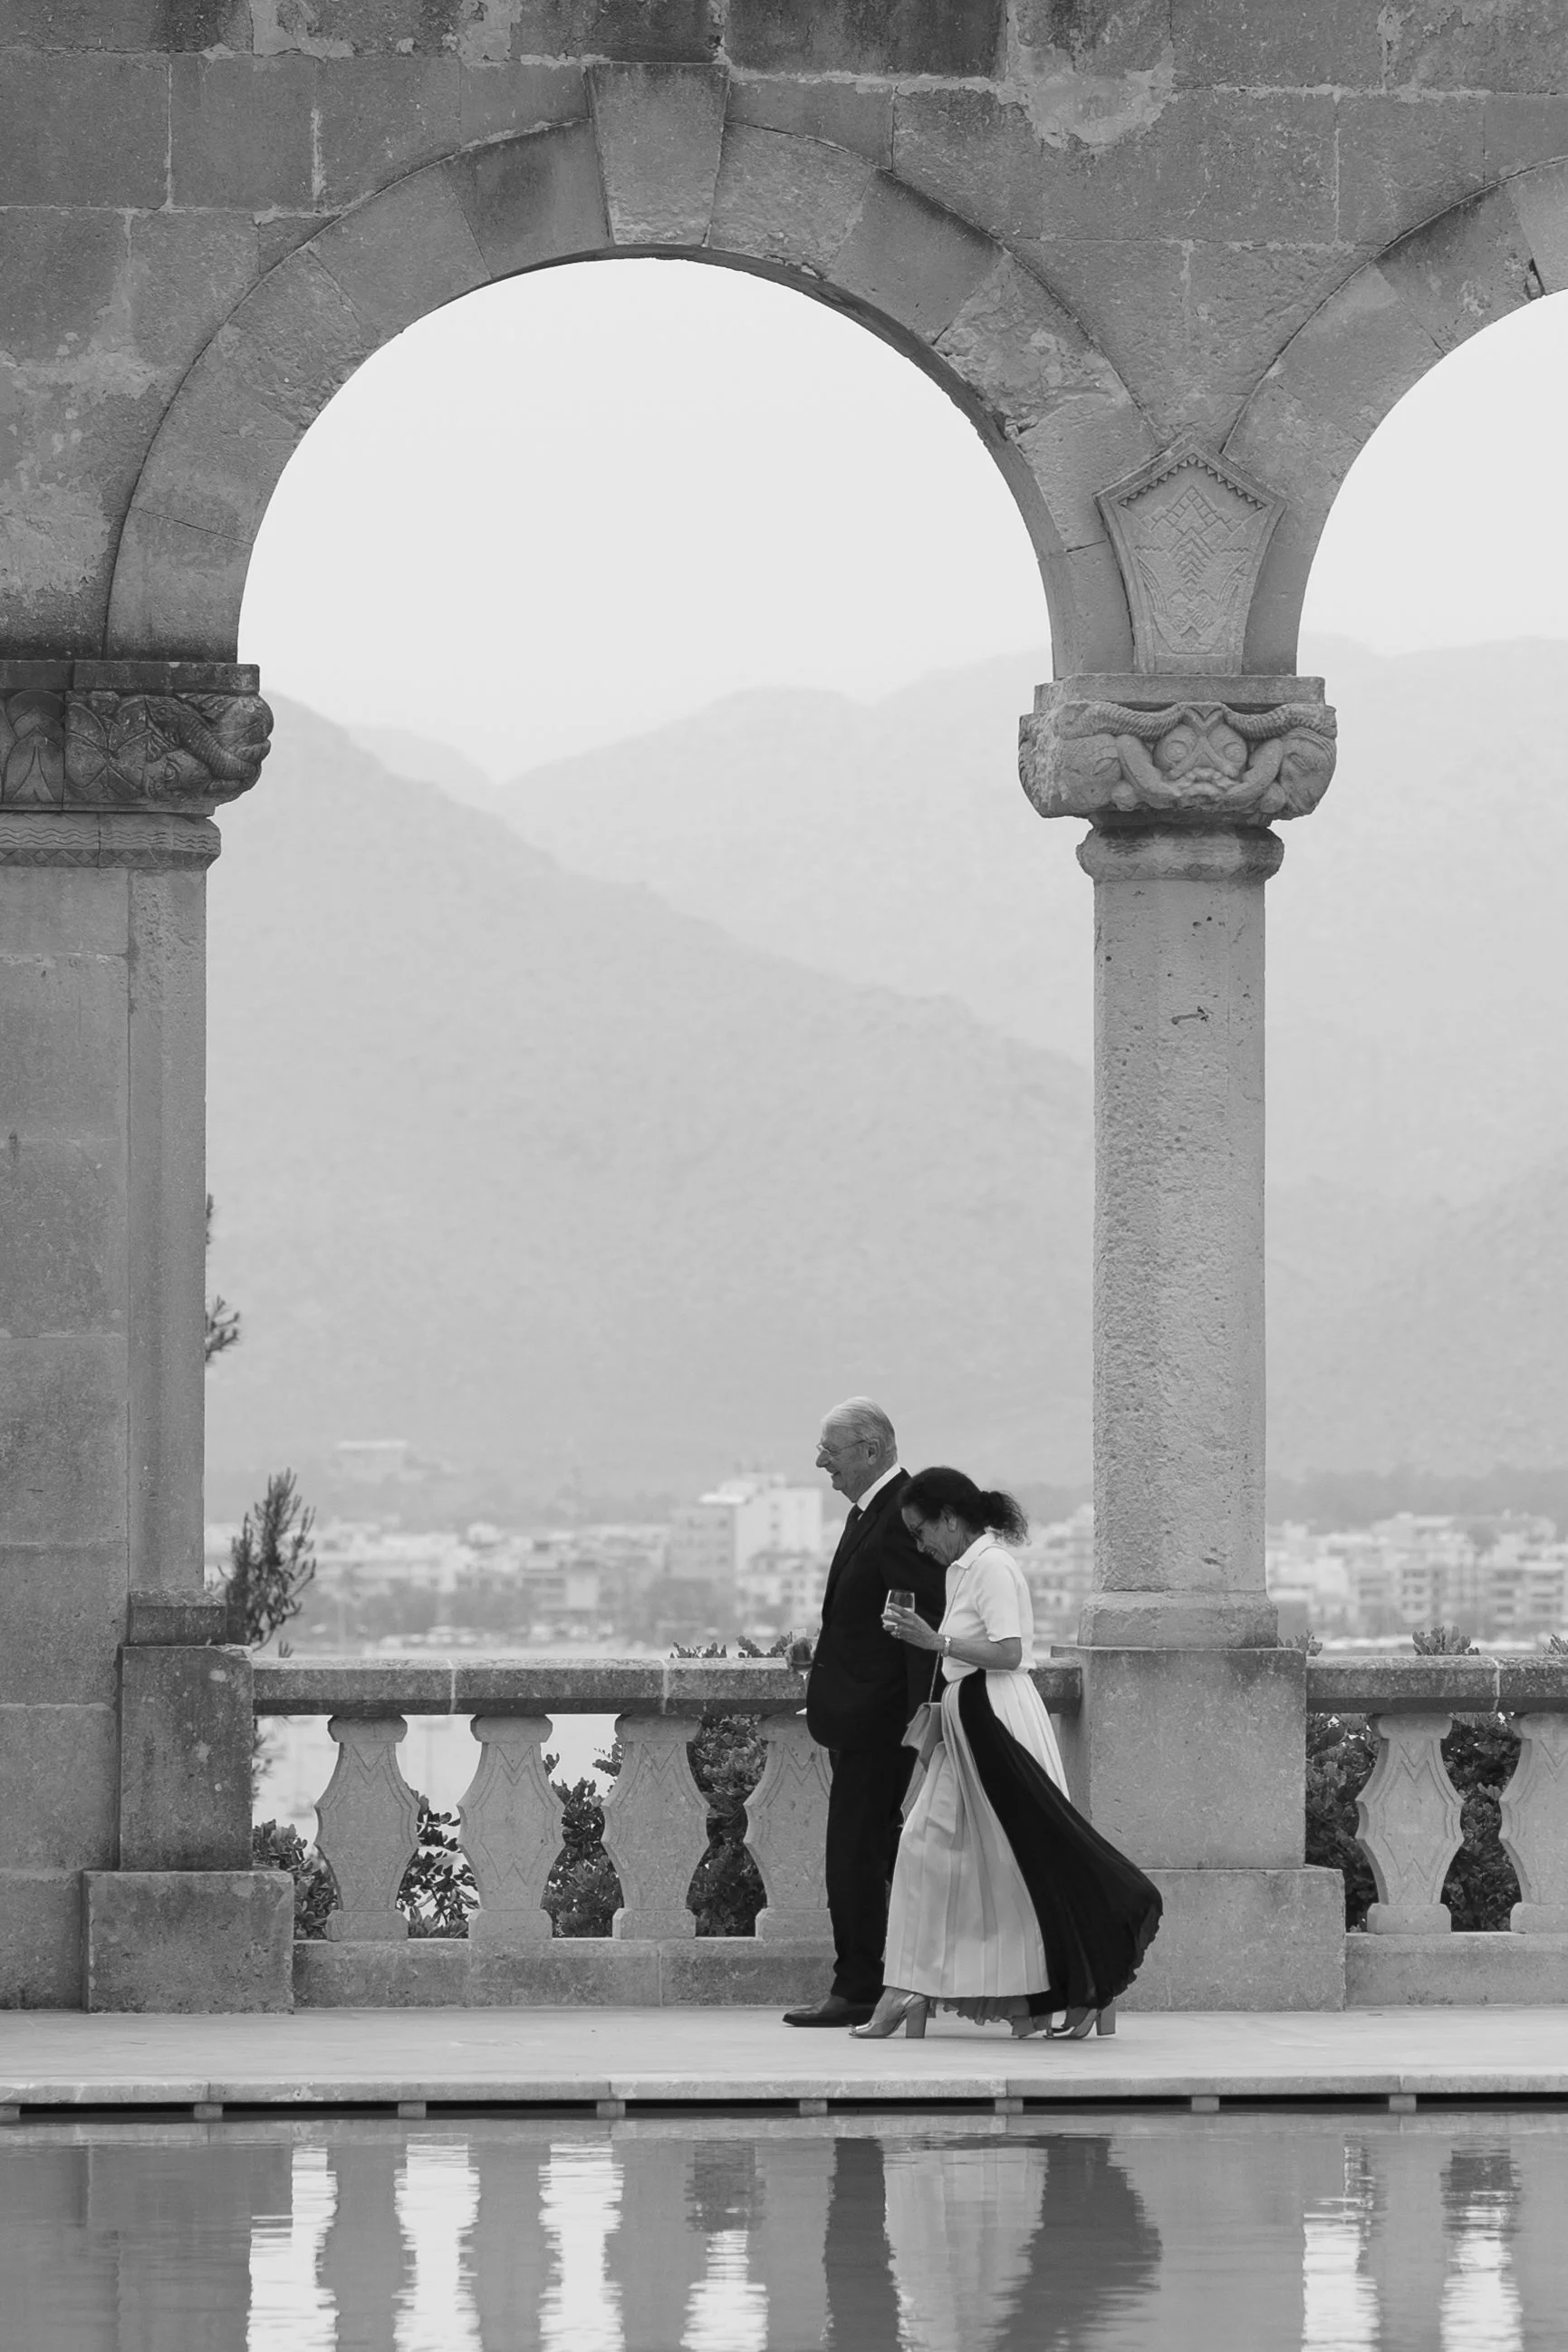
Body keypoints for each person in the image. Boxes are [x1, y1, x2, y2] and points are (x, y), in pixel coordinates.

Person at [852, 1465, 1162, 2040]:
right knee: (931, 1844)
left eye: (923, 1530)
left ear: (951, 1519)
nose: (921, 1544)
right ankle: (915, 1986)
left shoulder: (992, 1567)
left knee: (1023, 1857)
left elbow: (1010, 1651)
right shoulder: (965, 1569)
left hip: (995, 1720)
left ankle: (1077, 1983)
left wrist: (933, 1640)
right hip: (967, 1718)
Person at [782, 1399, 947, 2028]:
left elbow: (917, 1627)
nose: (820, 1460)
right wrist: (820, 1648)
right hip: (861, 1718)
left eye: (831, 1449)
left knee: (854, 1855)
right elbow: (875, 1622)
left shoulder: (900, 1516)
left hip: (881, 1727)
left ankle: (858, 1986)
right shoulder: (869, 1513)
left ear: (871, 1450)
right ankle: (876, 1982)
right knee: (860, 1853)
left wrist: (918, 1730)